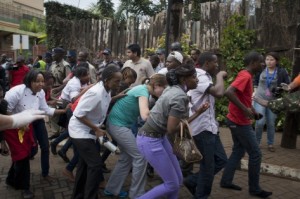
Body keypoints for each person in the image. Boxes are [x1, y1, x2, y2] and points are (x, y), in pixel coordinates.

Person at [136, 64, 206, 199]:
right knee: (171, 184)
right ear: (184, 79)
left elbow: (175, 125)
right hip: (150, 140)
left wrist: (197, 113)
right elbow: (172, 129)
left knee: (178, 181)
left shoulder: (173, 89)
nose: (197, 80)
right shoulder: (179, 96)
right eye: (194, 77)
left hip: (158, 138)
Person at [4, 70, 68, 198]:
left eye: (42, 81)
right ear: (29, 81)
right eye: (37, 81)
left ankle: (17, 178)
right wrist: (20, 124)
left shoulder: (41, 92)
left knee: (36, 150)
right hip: (15, 126)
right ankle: (24, 187)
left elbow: (45, 110)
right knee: (24, 155)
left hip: (32, 124)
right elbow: (6, 111)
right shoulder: (16, 92)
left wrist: (64, 111)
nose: (40, 84)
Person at [104, 73, 168, 198]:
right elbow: (145, 115)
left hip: (118, 124)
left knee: (126, 158)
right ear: (156, 85)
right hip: (118, 125)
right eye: (164, 89)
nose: (163, 93)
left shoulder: (144, 90)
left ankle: (111, 189)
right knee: (140, 156)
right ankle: (137, 194)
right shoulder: (143, 91)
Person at [220, 51, 272, 198]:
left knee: (238, 151)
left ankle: (226, 181)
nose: (263, 64)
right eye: (261, 62)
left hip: (236, 119)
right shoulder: (245, 76)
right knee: (255, 154)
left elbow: (243, 98)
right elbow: (229, 92)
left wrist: (252, 111)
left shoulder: (246, 75)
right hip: (239, 122)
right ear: (253, 62)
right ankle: (254, 189)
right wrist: (245, 110)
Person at [68, 65, 122, 199]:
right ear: (107, 79)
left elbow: (105, 101)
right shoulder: (96, 92)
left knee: (84, 165)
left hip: (89, 131)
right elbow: (79, 114)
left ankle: (78, 195)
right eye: (116, 81)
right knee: (96, 165)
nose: (119, 84)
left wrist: (119, 96)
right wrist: (97, 129)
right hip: (80, 132)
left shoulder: (106, 89)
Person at [184, 52, 228, 198]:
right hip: (201, 128)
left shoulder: (204, 77)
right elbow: (219, 93)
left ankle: (192, 181)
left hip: (210, 127)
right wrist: (220, 76)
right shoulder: (200, 76)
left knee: (221, 160)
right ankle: (201, 195)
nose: (217, 65)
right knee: (208, 167)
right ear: (207, 63)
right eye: (215, 62)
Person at [253, 52, 290, 152]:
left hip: (273, 102)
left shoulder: (281, 71)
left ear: (276, 61)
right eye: (267, 59)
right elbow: (255, 82)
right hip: (259, 99)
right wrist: (254, 92)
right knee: (260, 122)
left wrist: (284, 87)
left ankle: (270, 144)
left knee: (271, 123)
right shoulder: (260, 70)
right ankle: (257, 142)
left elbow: (288, 85)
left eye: (271, 59)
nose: (269, 62)